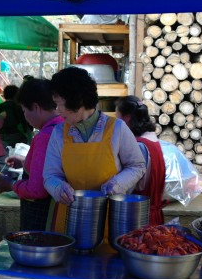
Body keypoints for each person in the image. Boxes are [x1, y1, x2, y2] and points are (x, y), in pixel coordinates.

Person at [43, 67, 145, 237]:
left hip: (110, 218)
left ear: (77, 101)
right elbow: (50, 175)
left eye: (59, 104)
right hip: (69, 216)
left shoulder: (117, 128)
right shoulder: (59, 132)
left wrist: (118, 184)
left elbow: (137, 165)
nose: (57, 110)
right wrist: (58, 187)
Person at [0, 79, 64, 231]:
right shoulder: (62, 125)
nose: (24, 115)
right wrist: (25, 161)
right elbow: (51, 165)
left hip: (42, 216)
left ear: (36, 107)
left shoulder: (45, 136)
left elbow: (36, 189)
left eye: (24, 110)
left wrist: (10, 184)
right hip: (58, 213)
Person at [116, 96, 165, 225]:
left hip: (140, 217)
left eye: (117, 117)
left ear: (127, 118)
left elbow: (128, 187)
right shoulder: (152, 140)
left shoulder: (139, 146)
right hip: (152, 215)